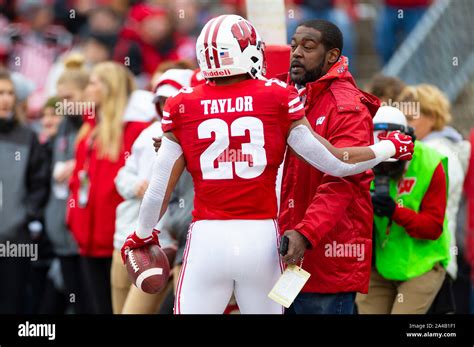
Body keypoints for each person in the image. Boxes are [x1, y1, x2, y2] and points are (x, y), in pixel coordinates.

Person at [121, 15, 413, 314]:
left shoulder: (182, 103)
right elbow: (337, 163)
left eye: (307, 46)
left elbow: (158, 189)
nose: (295, 53)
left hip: (206, 240)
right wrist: (390, 146)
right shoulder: (277, 95)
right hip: (261, 240)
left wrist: (141, 234)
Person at [278, 19, 381, 315]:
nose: (296, 53)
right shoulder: (287, 96)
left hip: (327, 260)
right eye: (294, 45)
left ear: (332, 56)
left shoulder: (346, 106)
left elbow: (344, 180)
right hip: (284, 257)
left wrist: (306, 233)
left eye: (308, 47)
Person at [67, 62, 150, 314]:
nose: (88, 89)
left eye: (93, 83)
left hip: (118, 238)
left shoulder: (136, 130)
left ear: (109, 88)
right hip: (87, 238)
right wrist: (73, 219)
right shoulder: (89, 129)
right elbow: (79, 180)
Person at [111, 70, 193, 314]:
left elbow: (179, 196)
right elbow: (122, 175)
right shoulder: (148, 134)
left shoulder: (197, 136)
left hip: (173, 244)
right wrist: (135, 185)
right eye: (162, 101)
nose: (166, 106)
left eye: (171, 100)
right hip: (133, 236)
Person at [356, 106, 450, 314]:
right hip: (378, 263)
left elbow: (433, 228)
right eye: (379, 162)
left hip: (421, 263)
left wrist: (394, 212)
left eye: (390, 162)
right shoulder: (362, 158)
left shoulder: (430, 163)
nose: (384, 169)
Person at [397, 84, 471, 313]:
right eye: (403, 117)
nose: (406, 124)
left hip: (431, 258)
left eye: (412, 116)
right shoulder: (423, 150)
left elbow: (420, 203)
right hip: (409, 257)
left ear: (432, 117)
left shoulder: (440, 153)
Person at [0, 69, 49, 313]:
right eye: (0, 93)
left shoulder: (28, 138)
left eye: (10, 93)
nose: (6, 98)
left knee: (13, 304)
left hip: (14, 239)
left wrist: (27, 217)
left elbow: (39, 185)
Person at [44, 55, 90, 314]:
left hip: (84, 236)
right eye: (60, 99)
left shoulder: (95, 128)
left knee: (89, 302)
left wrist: (80, 165)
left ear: (86, 94)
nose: (63, 105)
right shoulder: (62, 128)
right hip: (61, 233)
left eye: (68, 98)